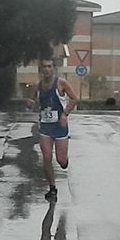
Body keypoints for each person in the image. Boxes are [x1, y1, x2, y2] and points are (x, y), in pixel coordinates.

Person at [30, 59, 78, 201]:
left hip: (60, 127)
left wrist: (65, 114)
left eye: (49, 67)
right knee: (46, 157)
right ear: (40, 69)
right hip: (45, 127)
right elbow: (32, 100)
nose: (46, 69)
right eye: (44, 67)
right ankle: (52, 188)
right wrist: (30, 103)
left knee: (61, 159)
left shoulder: (61, 83)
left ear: (54, 68)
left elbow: (74, 99)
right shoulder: (38, 86)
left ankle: (64, 162)